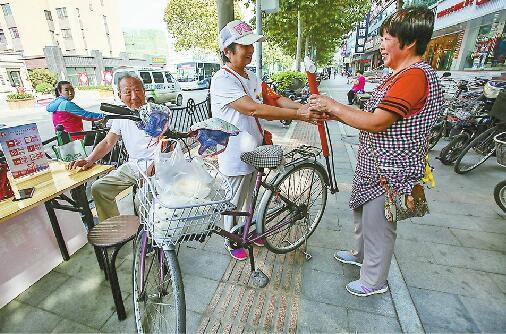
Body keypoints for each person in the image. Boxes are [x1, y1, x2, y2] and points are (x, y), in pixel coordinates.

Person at [308, 7, 443, 297]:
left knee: (379, 225)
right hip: (375, 166)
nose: (382, 45)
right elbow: (370, 114)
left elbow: (377, 121)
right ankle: (359, 255)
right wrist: (335, 113)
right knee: (364, 215)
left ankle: (374, 281)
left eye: (387, 38)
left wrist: (332, 106)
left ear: (408, 43)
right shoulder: (399, 75)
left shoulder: (414, 77)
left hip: (390, 170)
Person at [211, 20, 318, 261]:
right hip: (234, 151)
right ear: (228, 51)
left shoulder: (251, 76)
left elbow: (275, 99)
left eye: (252, 45)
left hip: (255, 147)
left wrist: (305, 109)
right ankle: (233, 239)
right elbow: (253, 110)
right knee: (235, 200)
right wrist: (298, 114)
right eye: (244, 46)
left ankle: (248, 230)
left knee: (252, 195)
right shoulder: (222, 79)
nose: (250, 50)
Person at [68, 74, 157, 223]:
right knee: (98, 188)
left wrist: (156, 164)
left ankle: (148, 238)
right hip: (133, 166)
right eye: (128, 92)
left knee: (142, 200)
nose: (134, 97)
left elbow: (167, 142)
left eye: (137, 90)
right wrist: (89, 159)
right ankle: (116, 228)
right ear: (120, 95)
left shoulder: (156, 113)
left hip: (156, 166)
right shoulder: (120, 116)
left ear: (144, 92)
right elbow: (109, 142)